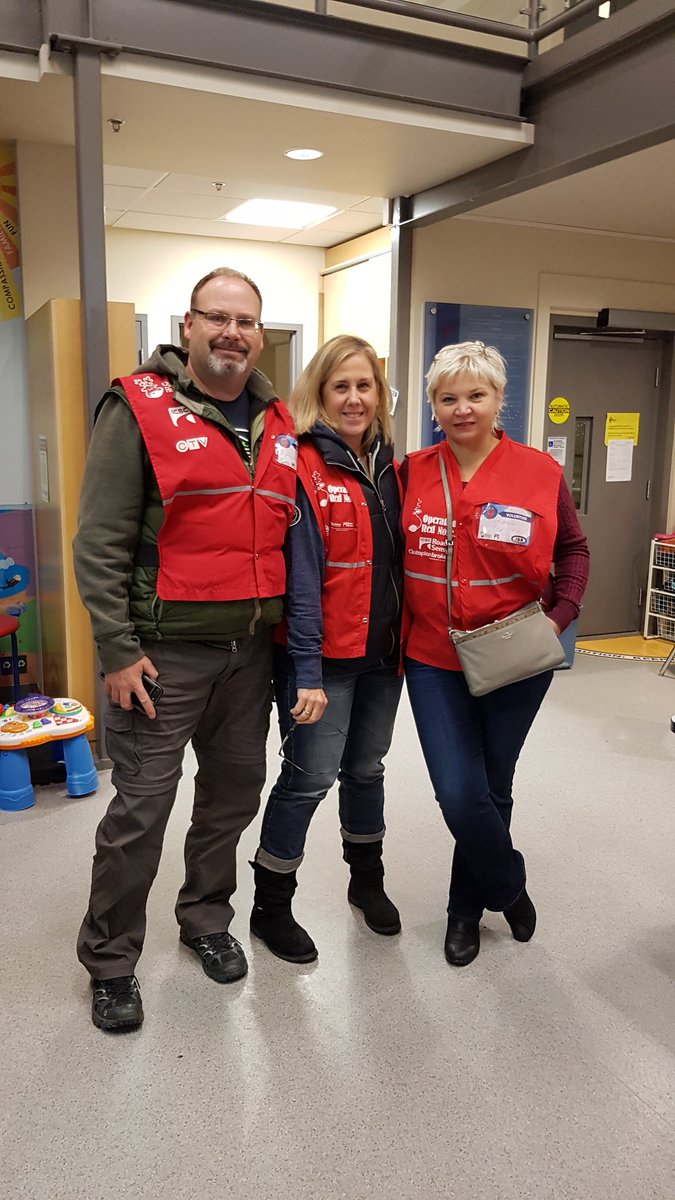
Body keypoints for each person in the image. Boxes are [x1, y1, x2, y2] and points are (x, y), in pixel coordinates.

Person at [73, 267, 297, 1030]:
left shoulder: (278, 421)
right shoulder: (136, 406)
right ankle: (110, 962)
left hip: (250, 654)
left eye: (246, 321)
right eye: (217, 318)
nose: (232, 332)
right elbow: (98, 540)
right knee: (141, 810)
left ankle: (204, 918)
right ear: (188, 325)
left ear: (259, 335)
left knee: (232, 798)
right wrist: (114, 649)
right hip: (160, 659)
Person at [401, 341, 589, 967]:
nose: (462, 408)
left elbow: (575, 553)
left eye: (475, 395)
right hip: (432, 656)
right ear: (433, 405)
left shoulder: (540, 472)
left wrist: (558, 621)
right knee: (459, 792)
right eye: (448, 397)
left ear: (499, 399)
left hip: (515, 656)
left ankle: (464, 909)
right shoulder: (412, 472)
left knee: (493, 787)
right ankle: (508, 887)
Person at [250, 335, 404, 963]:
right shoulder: (303, 464)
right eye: (340, 386)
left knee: (366, 770)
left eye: (364, 385)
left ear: (379, 394)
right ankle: (271, 905)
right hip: (320, 662)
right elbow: (304, 578)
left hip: (382, 658)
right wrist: (306, 671)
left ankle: (366, 882)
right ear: (319, 393)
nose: (354, 398)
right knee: (308, 778)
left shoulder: (396, 467)